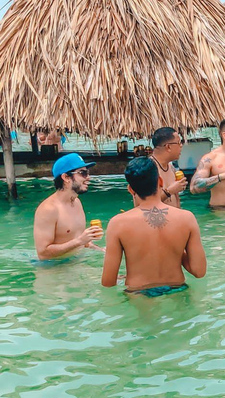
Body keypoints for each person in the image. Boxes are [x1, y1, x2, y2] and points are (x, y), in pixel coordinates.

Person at [102, 157, 206, 296]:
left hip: (139, 295)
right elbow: (199, 272)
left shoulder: (118, 224)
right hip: (177, 291)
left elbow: (108, 282)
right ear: (160, 182)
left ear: (131, 189)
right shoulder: (186, 218)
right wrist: (175, 248)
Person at [33, 153, 103, 260]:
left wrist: (102, 250)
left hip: (76, 262)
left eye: (87, 173)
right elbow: (43, 253)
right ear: (66, 177)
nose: (88, 177)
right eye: (82, 173)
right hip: (54, 270)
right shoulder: (48, 209)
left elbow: (82, 243)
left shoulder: (77, 202)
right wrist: (79, 241)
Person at [146, 127, 187, 207]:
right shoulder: (148, 169)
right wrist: (169, 191)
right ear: (168, 147)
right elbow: (145, 204)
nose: (181, 146)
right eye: (179, 143)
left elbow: (176, 198)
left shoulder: (170, 167)